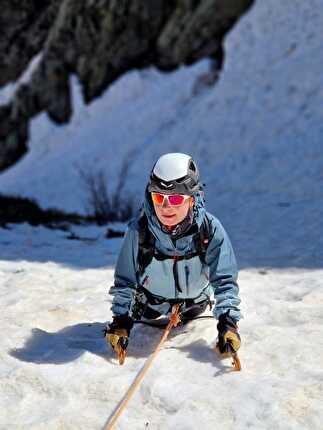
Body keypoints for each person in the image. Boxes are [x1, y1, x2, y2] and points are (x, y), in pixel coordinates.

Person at [106, 153, 241, 360]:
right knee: (146, 311)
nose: (166, 207)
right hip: (149, 307)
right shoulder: (138, 231)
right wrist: (121, 323)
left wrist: (228, 323)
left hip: (194, 305)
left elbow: (224, 282)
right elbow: (126, 282)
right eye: (159, 197)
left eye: (176, 199)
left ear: (191, 199)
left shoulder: (210, 230)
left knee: (192, 311)